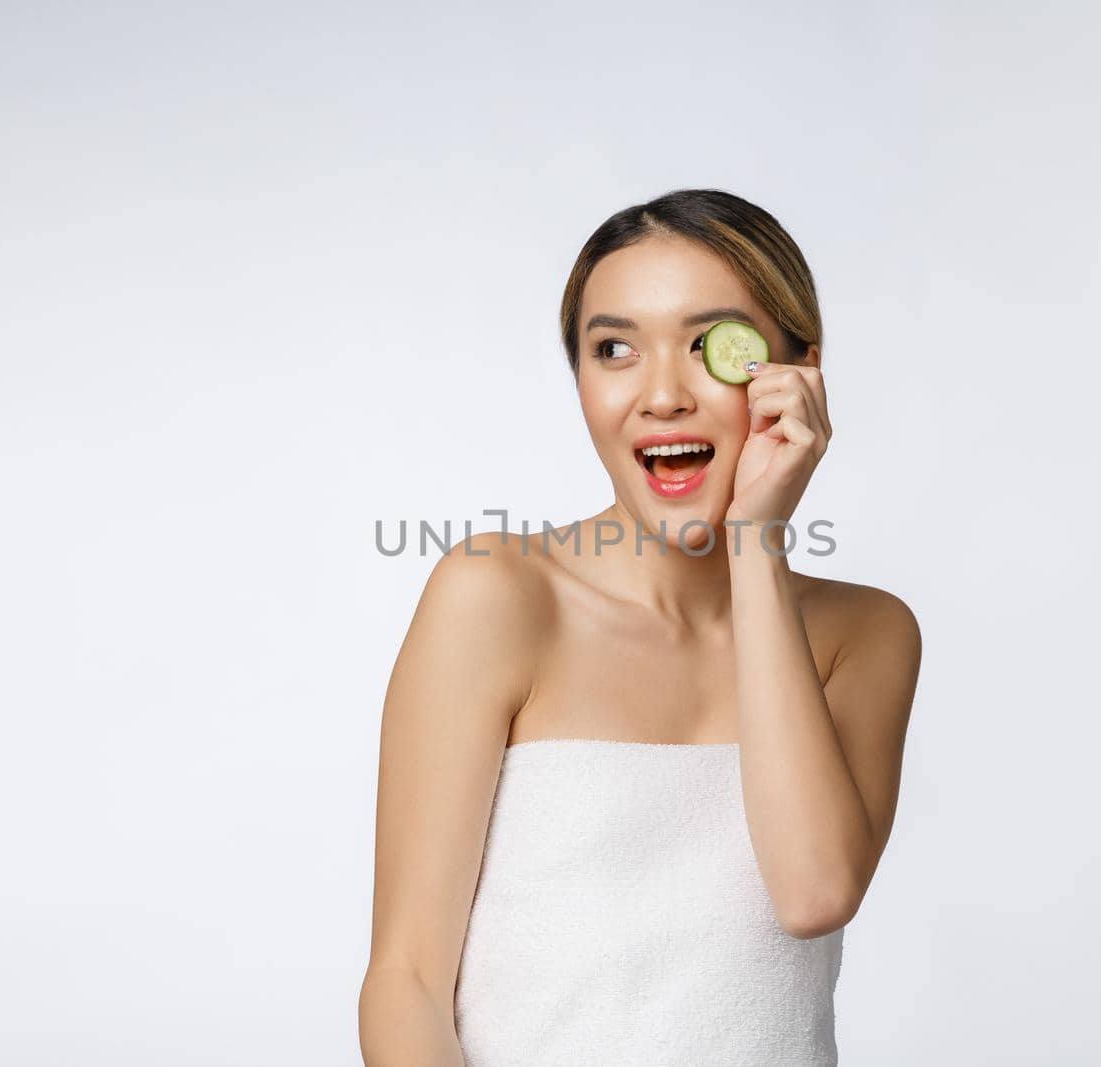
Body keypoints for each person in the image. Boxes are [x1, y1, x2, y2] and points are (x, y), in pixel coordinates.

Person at [358, 188, 922, 1065]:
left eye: (710, 348)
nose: (661, 395)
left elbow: (813, 892)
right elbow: (407, 981)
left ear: (798, 371)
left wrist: (756, 544)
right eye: (614, 348)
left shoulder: (867, 632)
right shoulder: (499, 596)